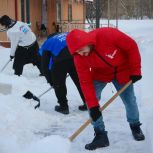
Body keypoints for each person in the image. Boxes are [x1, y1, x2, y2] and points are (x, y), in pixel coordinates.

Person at [66, 28, 145, 150]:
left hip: (123, 71)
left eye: (81, 50)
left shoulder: (107, 34)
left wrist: (135, 70)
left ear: (86, 42)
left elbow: (131, 47)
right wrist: (93, 106)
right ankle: (100, 134)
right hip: (100, 74)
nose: (80, 54)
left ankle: (135, 125)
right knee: (90, 103)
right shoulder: (79, 57)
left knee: (130, 100)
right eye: (77, 52)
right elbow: (85, 81)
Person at [39, 32, 87, 114]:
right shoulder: (67, 34)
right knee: (80, 82)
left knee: (59, 84)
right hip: (76, 57)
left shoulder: (48, 42)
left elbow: (44, 66)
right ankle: (88, 103)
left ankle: (63, 107)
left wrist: (52, 82)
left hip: (60, 62)